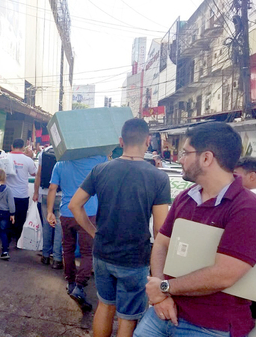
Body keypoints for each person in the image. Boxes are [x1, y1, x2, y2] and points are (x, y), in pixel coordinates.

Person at [134, 122, 256, 337]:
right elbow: (162, 242)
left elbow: (223, 275)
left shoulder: (249, 210)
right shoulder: (186, 197)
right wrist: (162, 296)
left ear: (206, 158)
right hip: (164, 311)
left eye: (185, 153)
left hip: (209, 326)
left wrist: (163, 288)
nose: (180, 159)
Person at [69, 118, 171, 337]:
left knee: (105, 305)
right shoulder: (159, 177)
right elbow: (160, 230)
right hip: (135, 259)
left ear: (120, 141)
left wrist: (94, 232)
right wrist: (159, 268)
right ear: (148, 141)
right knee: (127, 317)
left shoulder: (100, 170)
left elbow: (74, 205)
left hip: (103, 253)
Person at [47, 154, 107, 312]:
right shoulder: (99, 159)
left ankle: (71, 282)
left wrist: (49, 212)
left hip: (66, 212)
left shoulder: (60, 162)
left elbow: (52, 188)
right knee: (88, 252)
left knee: (67, 249)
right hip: (89, 213)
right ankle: (79, 286)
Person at [33, 145, 63, 269]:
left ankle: (45, 256)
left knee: (47, 224)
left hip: (45, 193)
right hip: (61, 194)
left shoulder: (43, 153)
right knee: (59, 227)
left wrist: (36, 192)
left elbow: (38, 175)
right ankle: (57, 259)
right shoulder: (64, 151)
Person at [4, 139, 37, 246]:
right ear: (23, 147)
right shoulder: (27, 160)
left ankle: (6, 240)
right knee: (20, 218)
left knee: (7, 217)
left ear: (12, 146)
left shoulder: (5, 157)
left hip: (7, 194)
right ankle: (18, 240)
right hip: (22, 195)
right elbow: (34, 173)